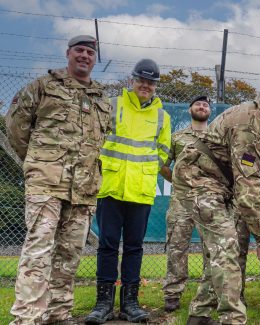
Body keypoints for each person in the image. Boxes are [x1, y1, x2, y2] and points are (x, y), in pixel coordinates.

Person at [185, 71, 260, 325]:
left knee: (220, 250)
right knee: (227, 247)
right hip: (199, 180)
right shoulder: (249, 121)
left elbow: (251, 177)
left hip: (223, 184)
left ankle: (199, 316)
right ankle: (233, 319)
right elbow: (248, 183)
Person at [6, 35, 111, 325]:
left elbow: (100, 139)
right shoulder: (43, 87)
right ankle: (27, 317)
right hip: (47, 182)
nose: (85, 56)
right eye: (79, 50)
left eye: (90, 52)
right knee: (38, 251)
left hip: (84, 188)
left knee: (69, 255)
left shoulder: (101, 98)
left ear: (94, 59)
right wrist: (38, 160)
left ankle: (58, 314)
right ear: (68, 53)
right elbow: (16, 125)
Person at [85, 59, 171, 323]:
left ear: (156, 86)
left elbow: (163, 153)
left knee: (134, 248)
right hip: (110, 188)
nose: (146, 85)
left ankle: (130, 303)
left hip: (141, 192)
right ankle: (103, 304)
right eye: (141, 80)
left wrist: (145, 172)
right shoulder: (113, 105)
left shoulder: (162, 117)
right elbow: (94, 139)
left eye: (151, 82)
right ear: (132, 81)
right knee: (107, 246)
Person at [160, 95, 212, 312]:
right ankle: (172, 292)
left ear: (210, 111)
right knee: (177, 247)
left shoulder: (216, 138)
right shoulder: (177, 137)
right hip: (181, 201)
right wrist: (180, 182)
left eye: (206, 105)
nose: (202, 106)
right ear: (190, 108)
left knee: (211, 248)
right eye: (198, 104)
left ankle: (210, 292)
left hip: (209, 200)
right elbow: (163, 165)